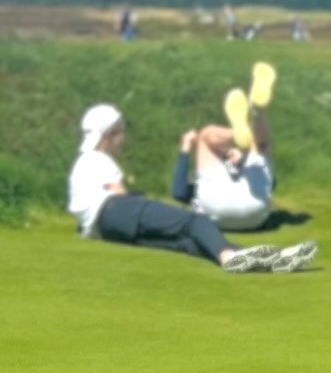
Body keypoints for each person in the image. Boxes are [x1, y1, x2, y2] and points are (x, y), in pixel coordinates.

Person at [67, 105, 316, 273]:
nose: (124, 138)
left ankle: (268, 259)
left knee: (188, 243)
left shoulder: (83, 162)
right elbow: (118, 195)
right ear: (109, 135)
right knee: (195, 222)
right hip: (116, 211)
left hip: (105, 231)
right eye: (121, 132)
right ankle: (230, 257)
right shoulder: (97, 159)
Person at [172, 63, 279, 232]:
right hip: (255, 213)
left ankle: (238, 132)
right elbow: (270, 185)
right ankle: (257, 111)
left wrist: (185, 150)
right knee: (260, 147)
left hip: (215, 212)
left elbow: (179, 193)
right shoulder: (235, 165)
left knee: (205, 136)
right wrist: (243, 161)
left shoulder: (210, 174)